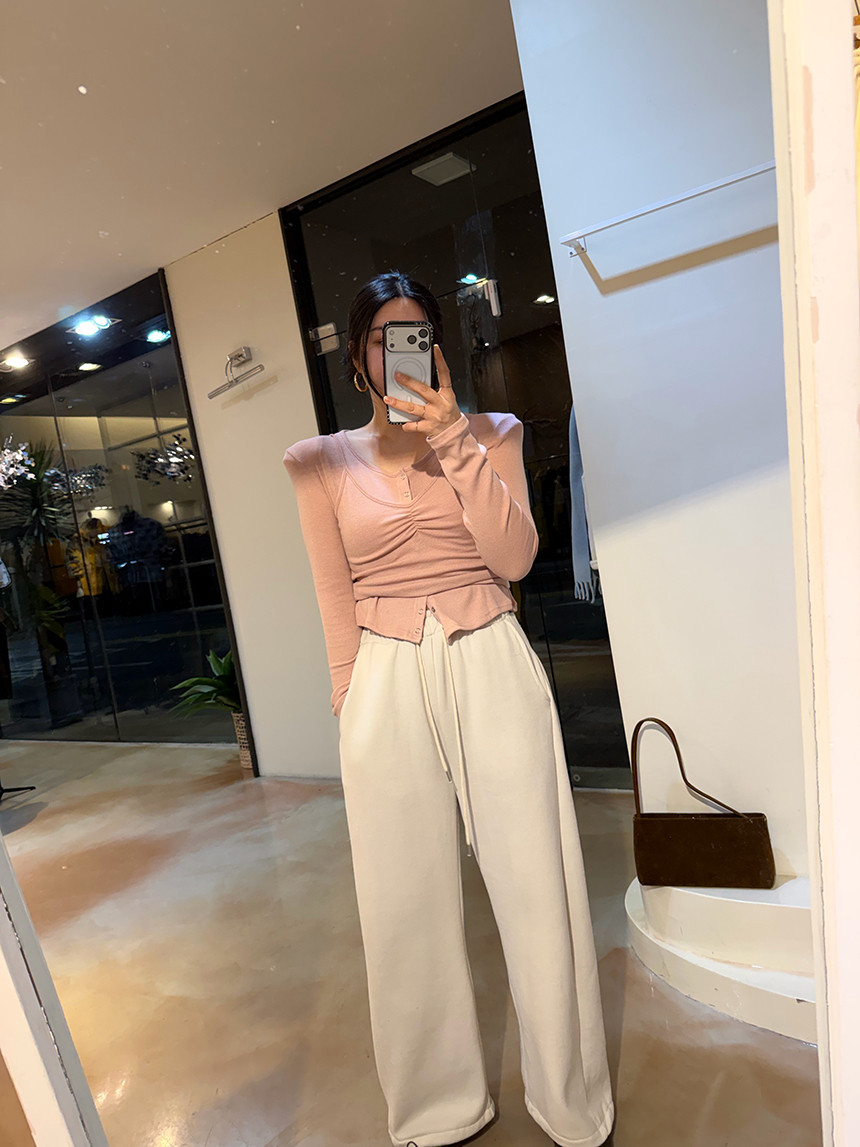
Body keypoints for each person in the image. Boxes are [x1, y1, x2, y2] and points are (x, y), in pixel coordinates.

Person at [282, 272, 615, 1147]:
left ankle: (569, 1098)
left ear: (435, 346)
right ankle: (437, 1106)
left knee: (538, 881)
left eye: (418, 333)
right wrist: (349, 698)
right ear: (359, 359)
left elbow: (514, 558)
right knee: (403, 901)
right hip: (384, 675)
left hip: (490, 656)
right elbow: (333, 591)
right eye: (383, 336)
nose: (403, 350)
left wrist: (453, 439)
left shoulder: (494, 433)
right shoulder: (317, 461)